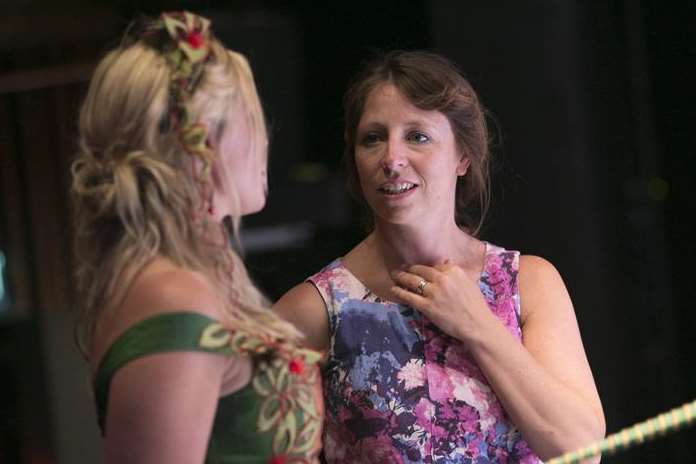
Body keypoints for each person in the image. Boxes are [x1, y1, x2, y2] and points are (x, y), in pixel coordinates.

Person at [274, 50, 605, 463]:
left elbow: (584, 451)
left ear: (463, 156)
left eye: (418, 136)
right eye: (372, 138)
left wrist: (477, 324)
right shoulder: (316, 309)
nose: (391, 159)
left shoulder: (528, 281)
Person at [71, 11, 322, 463]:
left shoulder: (201, 274)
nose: (266, 137)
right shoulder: (176, 294)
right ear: (204, 142)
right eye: (253, 117)